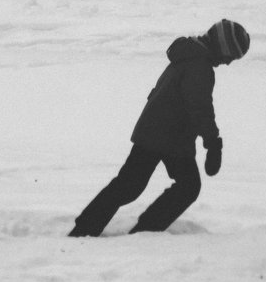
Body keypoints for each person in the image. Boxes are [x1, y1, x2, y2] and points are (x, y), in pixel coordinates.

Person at [68, 19, 249, 237]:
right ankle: (144, 229)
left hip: (158, 132)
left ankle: (88, 227)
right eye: (231, 56)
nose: (228, 63)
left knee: (129, 186)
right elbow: (200, 108)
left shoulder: (189, 55)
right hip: (167, 136)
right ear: (223, 47)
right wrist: (213, 143)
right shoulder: (198, 66)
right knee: (185, 187)